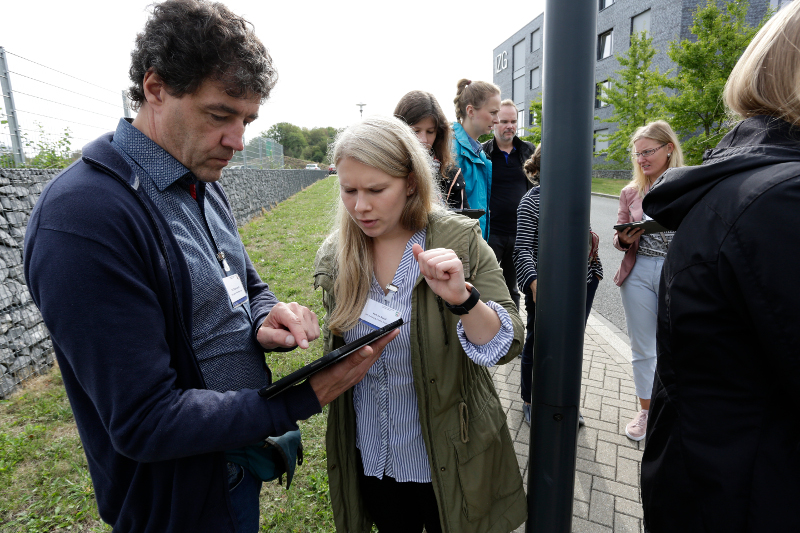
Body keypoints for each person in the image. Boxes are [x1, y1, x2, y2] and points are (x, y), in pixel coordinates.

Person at [22, 2, 394, 532]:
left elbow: (243, 281)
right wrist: (299, 398)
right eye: (220, 115)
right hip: (178, 505)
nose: (238, 140)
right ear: (155, 88)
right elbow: (144, 420)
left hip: (233, 474)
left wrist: (267, 313)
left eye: (247, 120)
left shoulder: (198, 178)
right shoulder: (85, 218)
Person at [315, 116, 526, 533]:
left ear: (411, 182)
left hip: (448, 455)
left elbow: (507, 344)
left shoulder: (459, 240)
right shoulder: (338, 252)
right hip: (372, 453)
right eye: (349, 190)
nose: (360, 206)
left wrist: (463, 300)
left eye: (376, 190)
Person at [640, 3, 800, 530]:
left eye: (648, 151)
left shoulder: (741, 188)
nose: (641, 160)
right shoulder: (780, 200)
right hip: (749, 496)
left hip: (713, 486)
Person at [513, 146, 603, 425]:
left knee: (571, 345)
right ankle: (529, 399)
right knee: (539, 343)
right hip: (545, 287)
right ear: (542, 169)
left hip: (583, 282)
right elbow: (522, 250)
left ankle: (567, 401)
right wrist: (535, 284)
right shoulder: (531, 202)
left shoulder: (576, 197)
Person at [612, 120, 683, 442]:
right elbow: (618, 235)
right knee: (643, 348)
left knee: (680, 344)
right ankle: (646, 411)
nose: (641, 159)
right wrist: (625, 238)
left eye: (648, 152)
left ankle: (678, 410)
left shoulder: (687, 184)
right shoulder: (631, 191)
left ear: (669, 149)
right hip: (639, 272)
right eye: (637, 154)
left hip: (678, 272)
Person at [482, 100, 536, 308]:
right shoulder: (483, 153)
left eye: (513, 121)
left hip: (521, 234)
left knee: (513, 289)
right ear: (495, 123)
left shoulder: (528, 151)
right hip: (491, 233)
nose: (510, 126)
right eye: (504, 121)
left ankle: (513, 333)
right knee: (487, 286)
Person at [394, 90, 468, 209]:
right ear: (399, 129)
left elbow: (464, 222)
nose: (423, 139)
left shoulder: (450, 174)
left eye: (430, 132)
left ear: (438, 134)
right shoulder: (386, 169)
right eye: (415, 131)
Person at [452, 78, 501, 238]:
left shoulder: (480, 154)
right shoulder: (450, 149)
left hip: (473, 244)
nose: (497, 120)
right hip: (456, 247)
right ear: (471, 111)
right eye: (493, 112)